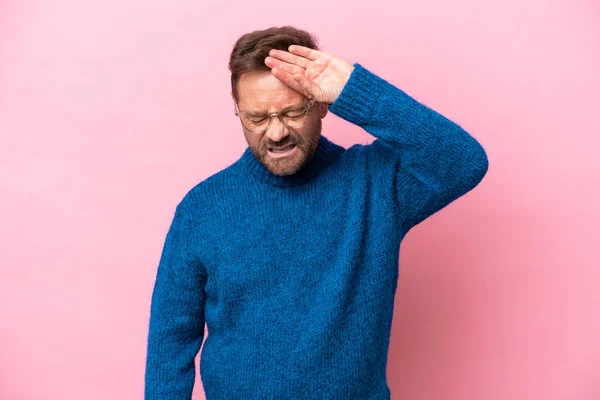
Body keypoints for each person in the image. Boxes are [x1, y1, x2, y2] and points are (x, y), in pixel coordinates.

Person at [144, 25, 489, 400]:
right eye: (256, 118)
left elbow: (462, 161)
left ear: (322, 103)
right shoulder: (202, 209)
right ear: (238, 110)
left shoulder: (375, 186)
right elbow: (170, 341)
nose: (275, 133)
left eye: (293, 112)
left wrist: (356, 91)